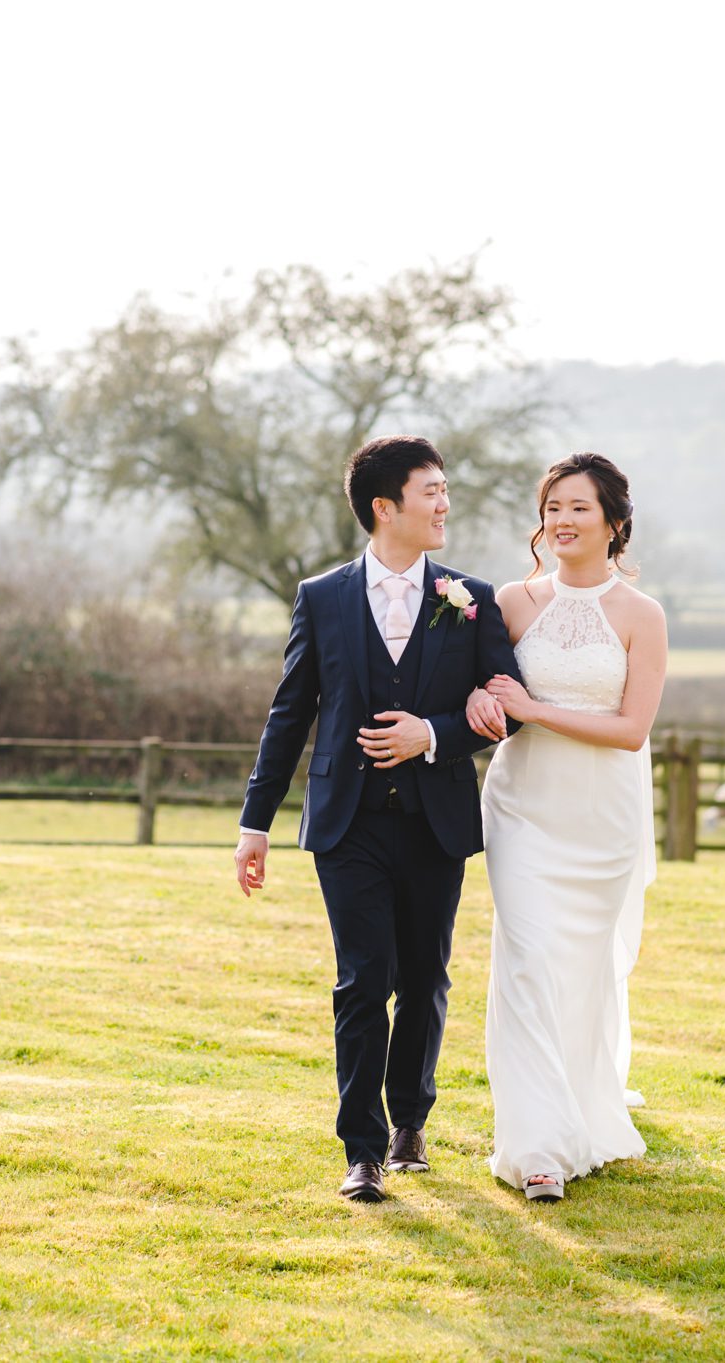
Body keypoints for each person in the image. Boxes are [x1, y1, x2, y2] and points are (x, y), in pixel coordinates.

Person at [234, 435, 524, 1203]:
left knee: (424, 977)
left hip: (435, 820)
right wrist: (254, 822)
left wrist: (433, 733)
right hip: (347, 822)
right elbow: (289, 714)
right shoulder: (322, 597)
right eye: (431, 490)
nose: (445, 504)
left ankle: (409, 1127)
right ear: (384, 507)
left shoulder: (472, 597)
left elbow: (508, 708)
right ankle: (360, 1148)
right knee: (364, 979)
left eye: (445, 489)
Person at [464, 452, 668, 1202]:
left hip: (602, 823)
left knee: (579, 973)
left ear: (613, 521)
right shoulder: (512, 602)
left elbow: (630, 729)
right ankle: (537, 1147)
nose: (561, 520)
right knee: (526, 964)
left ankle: (582, 1109)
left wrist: (534, 708)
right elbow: (478, 689)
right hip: (523, 812)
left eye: (578, 507)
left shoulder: (641, 615)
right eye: (552, 506)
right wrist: (479, 707)